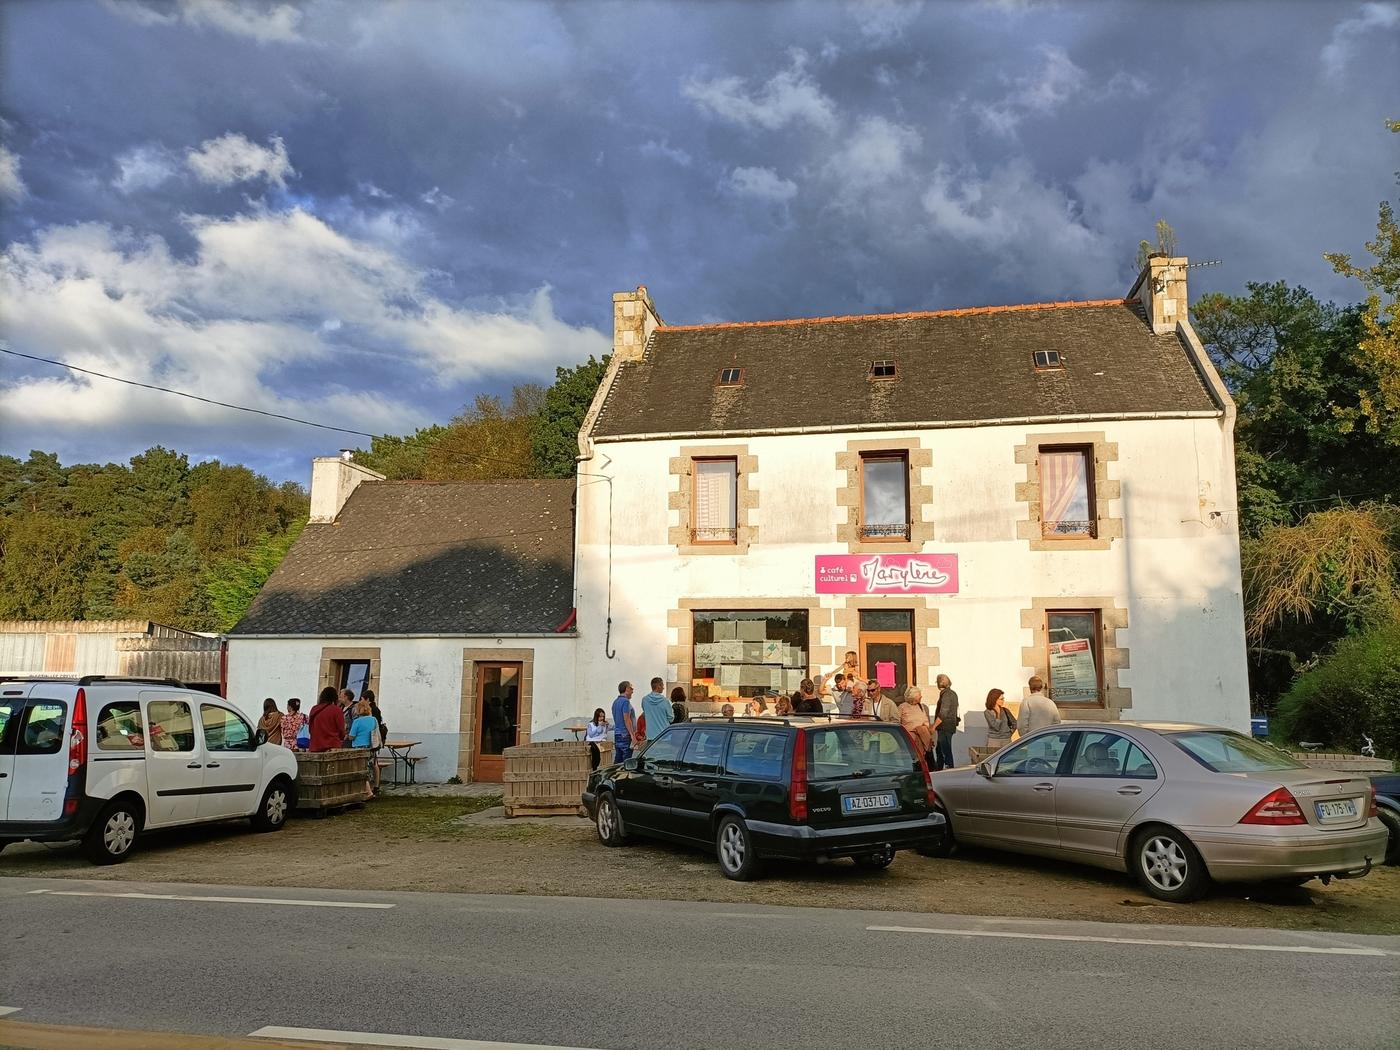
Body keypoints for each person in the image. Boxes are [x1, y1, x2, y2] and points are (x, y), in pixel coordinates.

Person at [347, 699, 380, 793]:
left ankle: (367, 791)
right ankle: (375, 787)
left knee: (361, 768)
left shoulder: (357, 721)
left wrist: (348, 736)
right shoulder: (373, 719)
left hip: (359, 747)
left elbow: (352, 736)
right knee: (372, 766)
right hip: (371, 746)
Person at [932, 674, 960, 771]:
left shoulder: (947, 695)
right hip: (948, 726)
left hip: (944, 727)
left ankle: (949, 771)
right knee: (940, 750)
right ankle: (938, 770)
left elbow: (943, 713)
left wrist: (933, 726)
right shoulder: (952, 693)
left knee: (945, 751)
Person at [308, 686, 348, 752]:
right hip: (332, 746)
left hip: (315, 746)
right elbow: (341, 731)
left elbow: (310, 729)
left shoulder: (314, 709)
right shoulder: (337, 710)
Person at [900, 686, 932, 757]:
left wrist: (923, 729)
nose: (921, 696)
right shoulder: (902, 707)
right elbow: (897, 722)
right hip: (908, 739)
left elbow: (926, 720)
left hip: (921, 739)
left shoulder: (921, 706)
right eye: (919, 695)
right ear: (913, 696)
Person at [611, 682, 638, 762]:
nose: (632, 691)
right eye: (631, 688)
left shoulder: (615, 702)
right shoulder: (626, 702)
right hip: (625, 735)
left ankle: (615, 774)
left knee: (618, 760)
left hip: (617, 734)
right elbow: (626, 719)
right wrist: (633, 736)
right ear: (626, 689)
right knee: (626, 762)